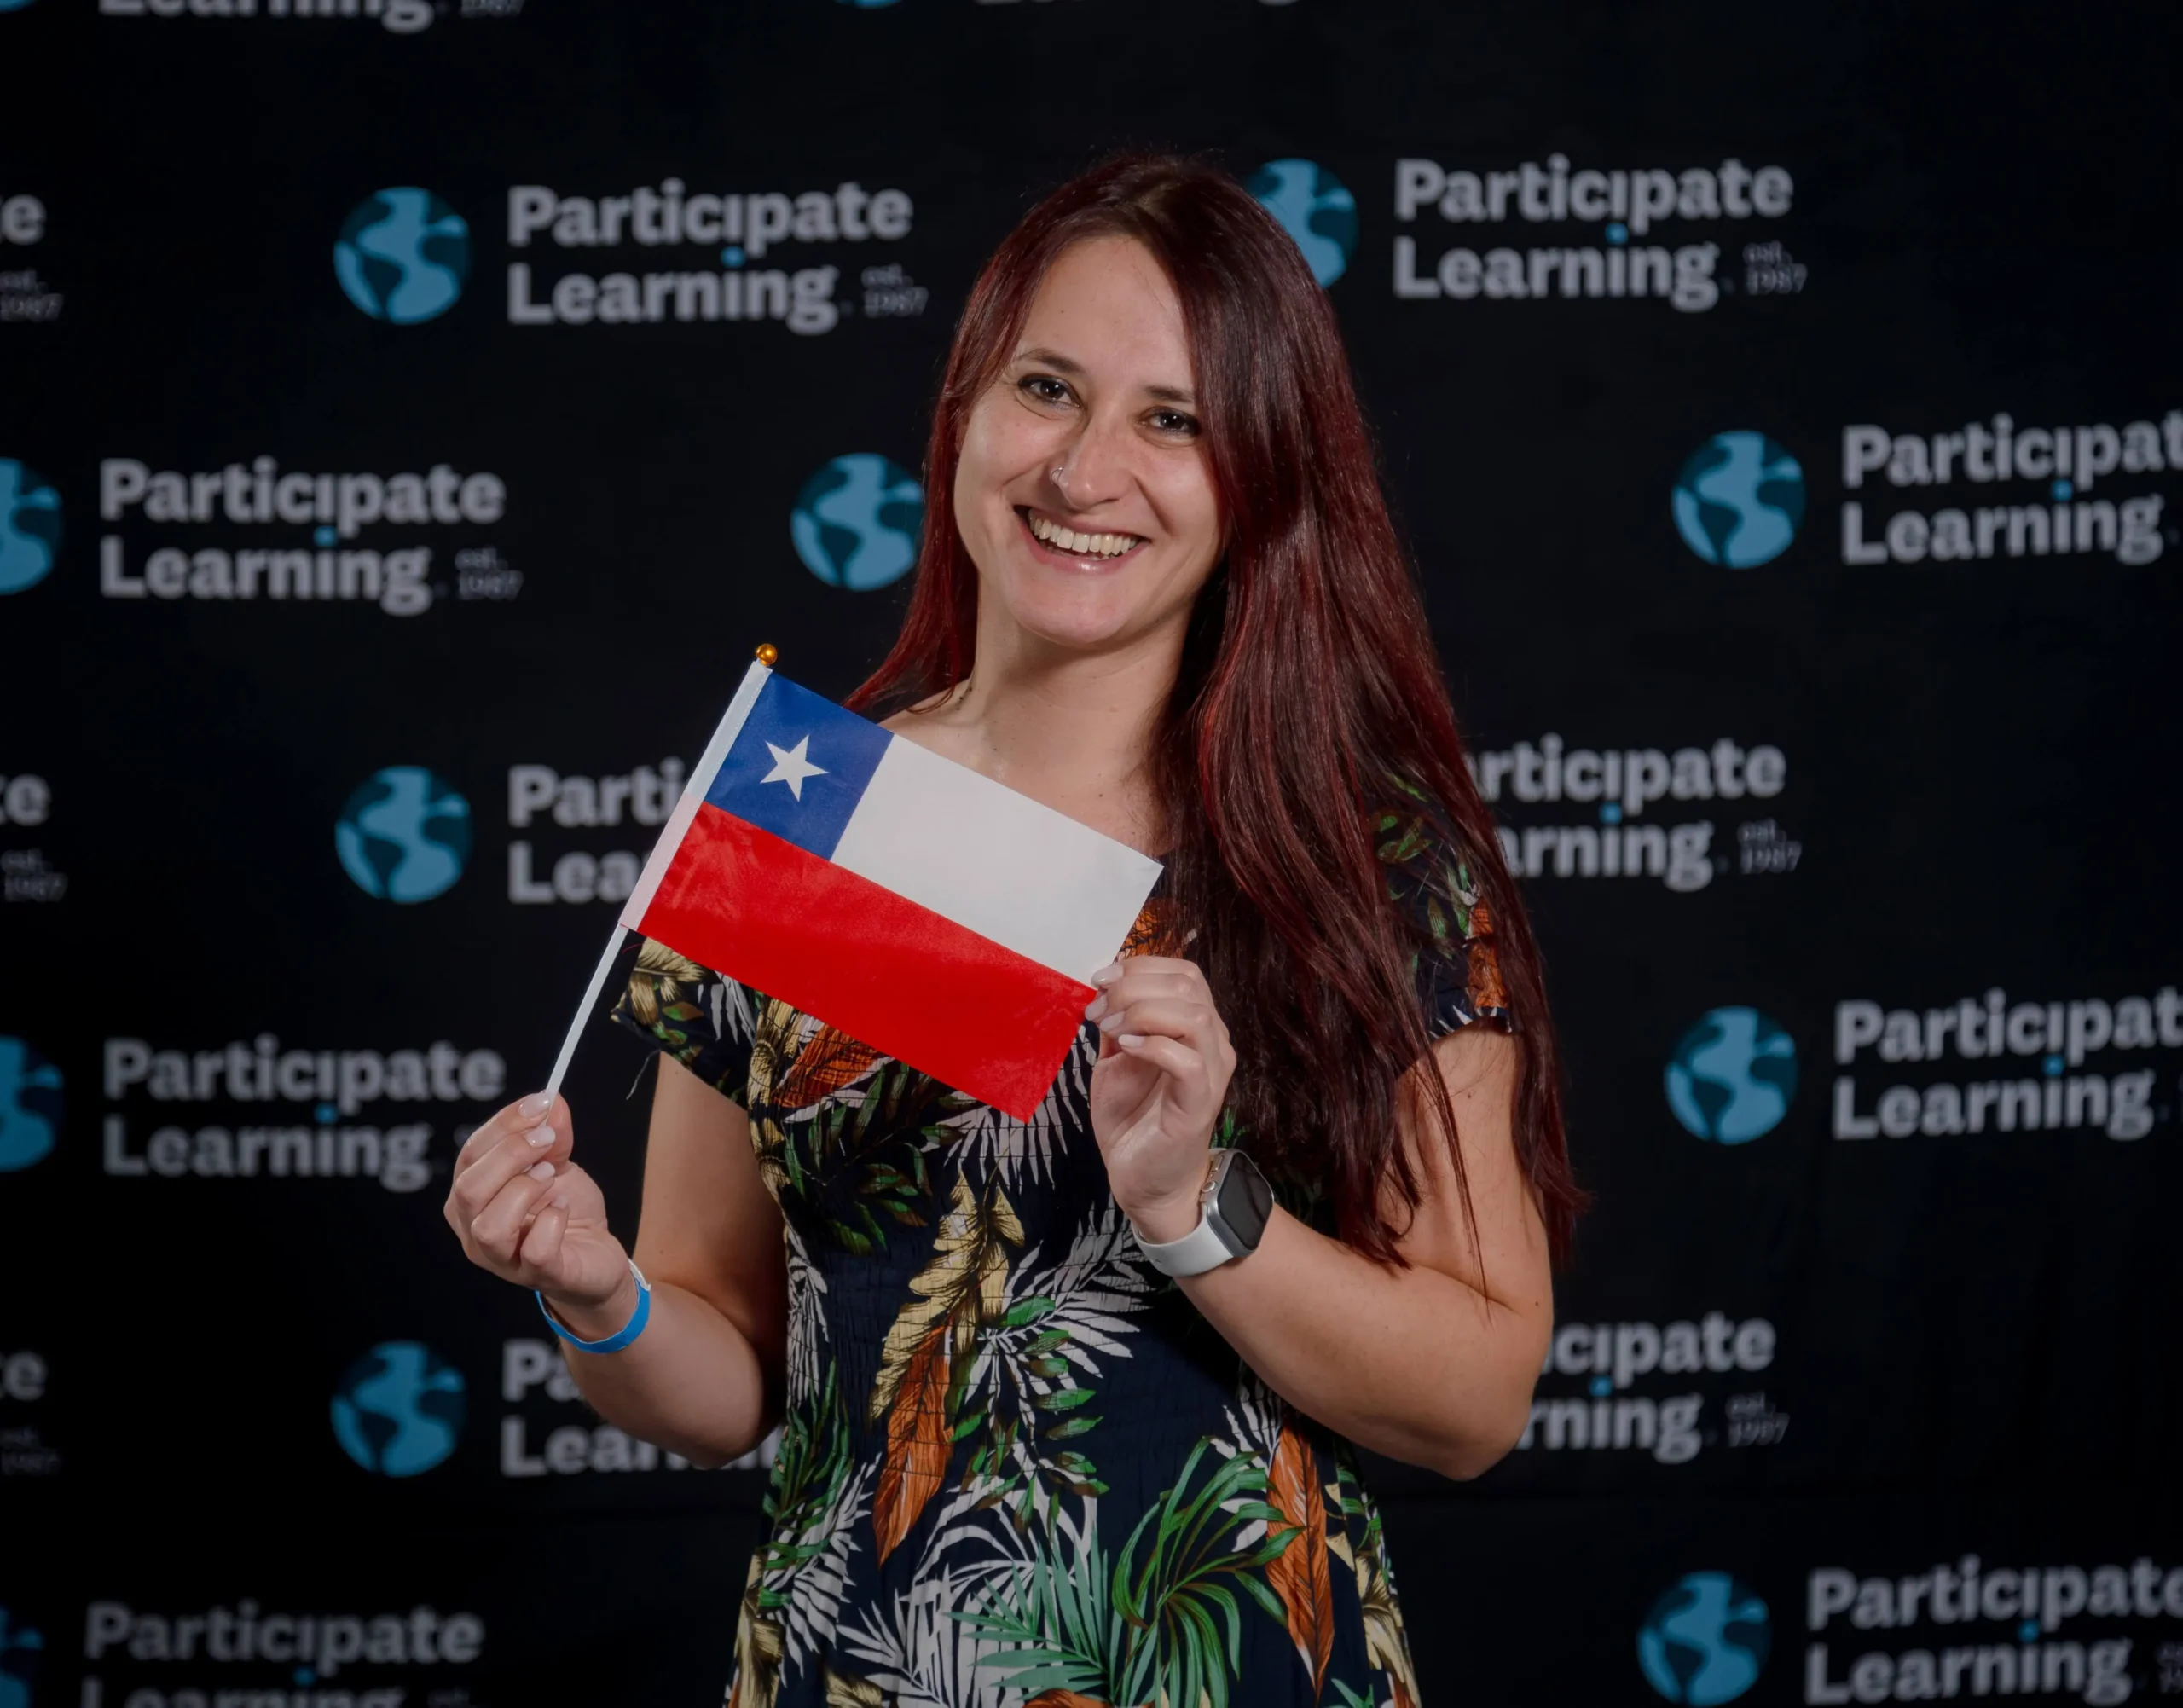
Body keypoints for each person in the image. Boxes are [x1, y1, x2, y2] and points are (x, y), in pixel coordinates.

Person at [445, 153, 1581, 1708]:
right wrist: (598, 1295)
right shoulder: (809, 818)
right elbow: (725, 1376)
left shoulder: (1359, 859)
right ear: (966, 412)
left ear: (1254, 476)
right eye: (1049, 387)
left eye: (1171, 419)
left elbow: (1477, 1393)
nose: (1087, 469)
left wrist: (1192, 1205)